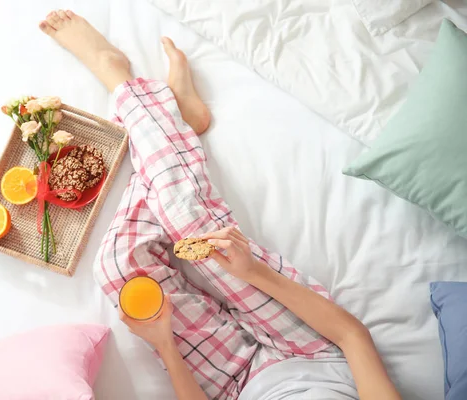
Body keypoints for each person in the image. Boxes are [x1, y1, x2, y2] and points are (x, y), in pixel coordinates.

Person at [39, 10, 402, 400]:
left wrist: (165, 345)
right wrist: (255, 273)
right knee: (188, 220)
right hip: (312, 351)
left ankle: (178, 124)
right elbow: (352, 336)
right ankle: (117, 77)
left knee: (117, 268)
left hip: (235, 387)